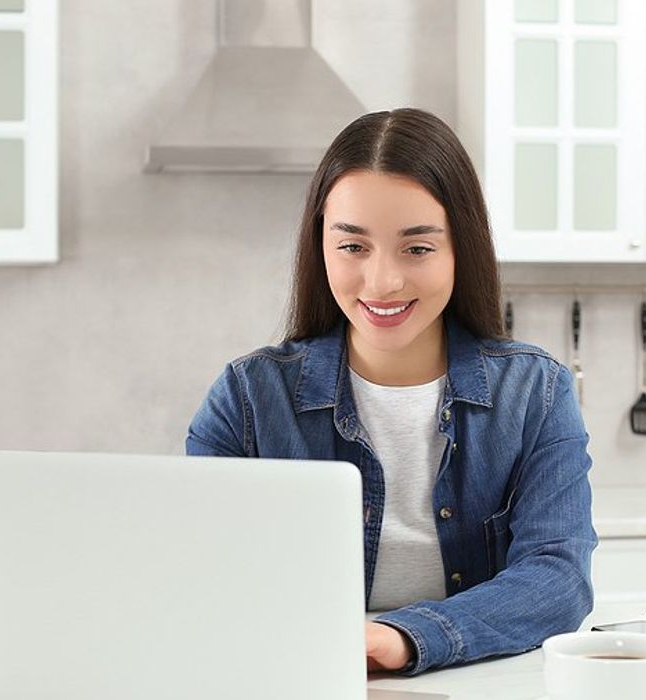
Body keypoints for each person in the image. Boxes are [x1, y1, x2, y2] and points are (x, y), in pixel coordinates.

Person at [186, 108, 596, 675]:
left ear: (461, 250)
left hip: (475, 680)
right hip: (297, 676)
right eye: (353, 247)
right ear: (320, 247)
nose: (382, 282)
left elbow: (558, 578)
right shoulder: (247, 398)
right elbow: (204, 575)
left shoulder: (536, 391)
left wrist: (404, 638)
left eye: (417, 248)